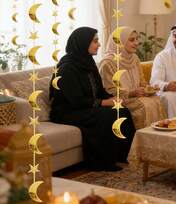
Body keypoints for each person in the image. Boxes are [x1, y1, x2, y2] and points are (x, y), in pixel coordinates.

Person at [49, 27, 135, 172]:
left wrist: (112, 98)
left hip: (85, 107)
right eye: (95, 41)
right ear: (83, 43)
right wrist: (104, 103)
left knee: (122, 111)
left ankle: (122, 155)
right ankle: (103, 162)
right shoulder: (67, 68)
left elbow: (99, 90)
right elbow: (75, 100)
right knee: (107, 115)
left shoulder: (88, 62)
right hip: (67, 111)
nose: (99, 44)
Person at [99, 27, 165, 129]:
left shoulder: (134, 58)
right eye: (132, 40)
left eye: (137, 39)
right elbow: (110, 91)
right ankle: (142, 137)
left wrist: (149, 88)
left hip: (136, 97)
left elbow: (142, 82)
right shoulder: (108, 63)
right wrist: (131, 93)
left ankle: (157, 136)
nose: (136, 43)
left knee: (156, 100)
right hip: (120, 100)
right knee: (143, 105)